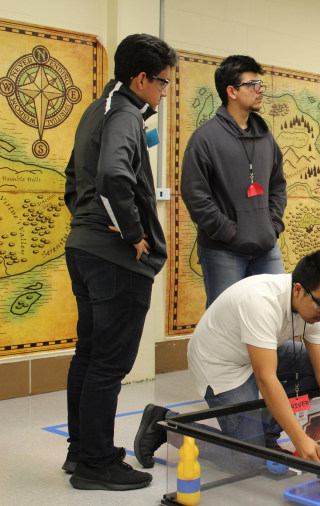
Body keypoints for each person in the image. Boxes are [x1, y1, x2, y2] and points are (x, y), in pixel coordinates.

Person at [62, 34, 176, 491]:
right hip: (113, 261)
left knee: (88, 357)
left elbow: (74, 177)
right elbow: (112, 177)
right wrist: (132, 233)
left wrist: (88, 222)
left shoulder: (98, 109)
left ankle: (82, 452)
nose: (165, 92)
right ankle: (96, 464)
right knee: (108, 365)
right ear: (141, 79)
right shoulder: (127, 114)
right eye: (163, 83)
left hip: (83, 249)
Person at [134, 250, 320, 468]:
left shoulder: (316, 306)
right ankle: (165, 423)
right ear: (298, 290)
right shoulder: (261, 301)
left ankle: (266, 438)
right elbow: (266, 378)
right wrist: (299, 438)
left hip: (259, 350)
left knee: (310, 366)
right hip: (220, 362)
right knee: (247, 461)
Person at [181, 54, 287, 307]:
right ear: (232, 91)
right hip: (222, 251)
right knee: (226, 323)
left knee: (273, 315)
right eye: (252, 85)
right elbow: (195, 195)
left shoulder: (265, 138)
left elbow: (277, 186)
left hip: (266, 248)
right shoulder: (205, 138)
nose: (260, 90)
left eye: (260, 84)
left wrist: (272, 225)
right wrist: (229, 232)